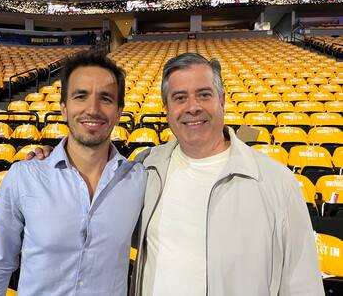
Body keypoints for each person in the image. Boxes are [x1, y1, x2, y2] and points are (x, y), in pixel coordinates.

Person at [29, 53, 324, 296]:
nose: (192, 107)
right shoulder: (144, 168)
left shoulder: (276, 182)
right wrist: (54, 156)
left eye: (204, 95)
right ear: (167, 109)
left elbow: (303, 284)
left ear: (222, 100)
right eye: (180, 97)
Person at [0, 51, 146, 296]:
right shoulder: (24, 176)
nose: (93, 108)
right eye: (81, 96)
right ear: (64, 109)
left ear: (119, 112)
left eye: (106, 98)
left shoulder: (139, 180)